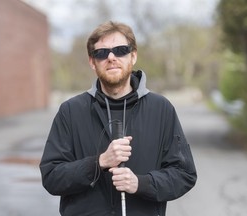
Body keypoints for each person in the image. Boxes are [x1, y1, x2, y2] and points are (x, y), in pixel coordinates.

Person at [40, 21, 197, 216]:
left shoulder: (161, 109)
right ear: (92, 62)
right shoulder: (71, 111)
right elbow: (51, 177)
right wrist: (99, 162)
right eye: (102, 53)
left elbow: (184, 174)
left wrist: (141, 183)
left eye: (120, 50)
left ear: (133, 56)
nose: (111, 57)